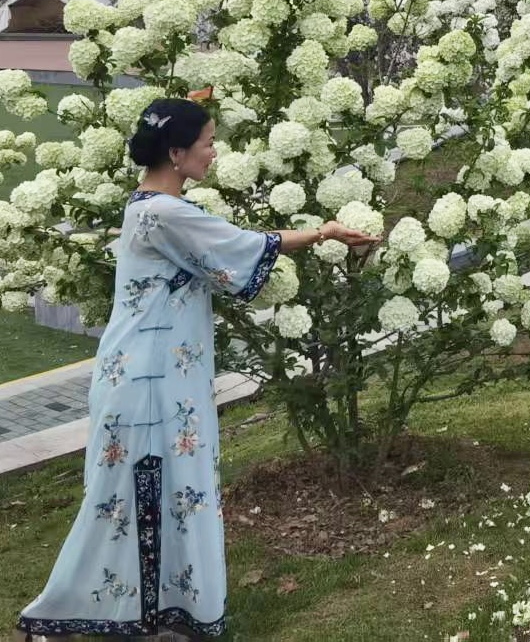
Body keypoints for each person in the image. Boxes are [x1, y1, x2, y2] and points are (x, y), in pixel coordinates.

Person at [16, 99, 378, 642]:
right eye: (207, 143)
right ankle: (63, 615)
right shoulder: (161, 213)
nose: (214, 153)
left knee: (164, 490)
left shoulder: (155, 207)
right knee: (128, 494)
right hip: (149, 380)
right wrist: (324, 233)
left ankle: (161, 612)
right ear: (176, 152)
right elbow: (243, 246)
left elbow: (231, 244)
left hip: (158, 374)